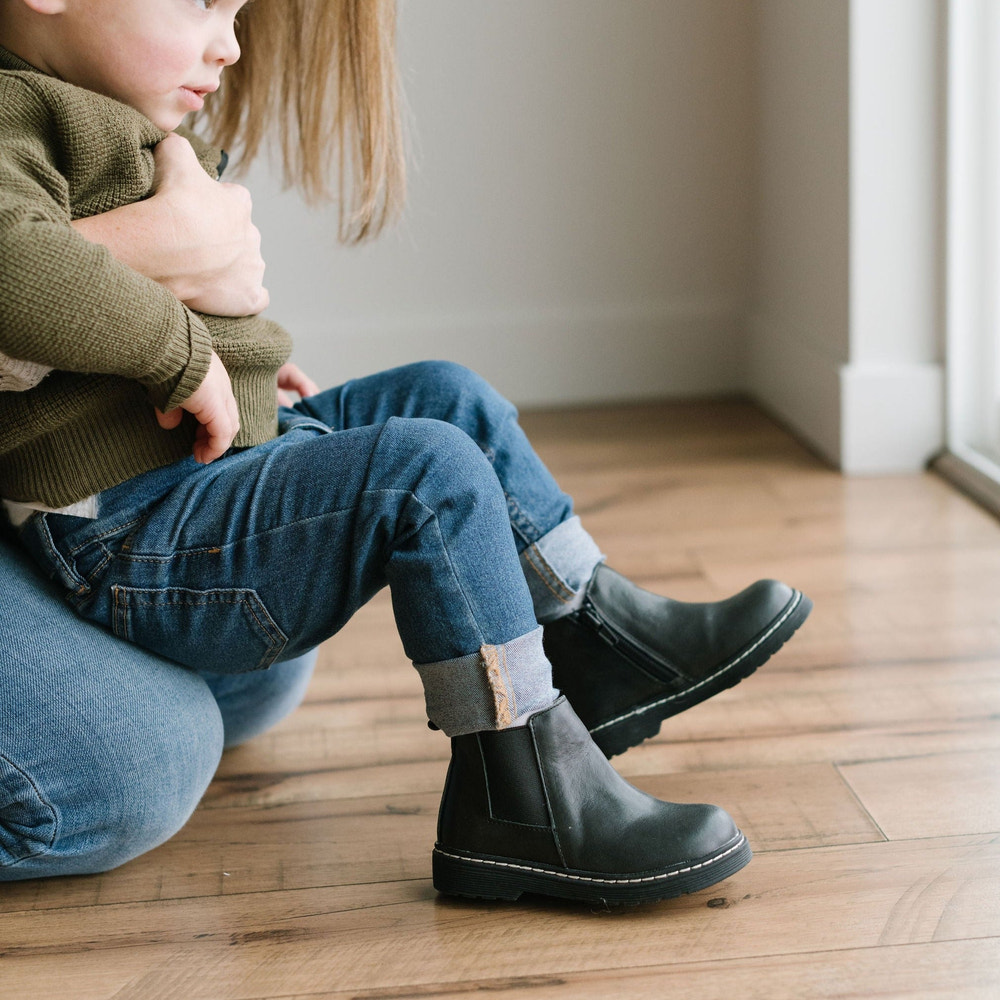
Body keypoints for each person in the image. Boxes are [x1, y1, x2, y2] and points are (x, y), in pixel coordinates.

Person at [0, 0, 811, 905]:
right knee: (427, 474)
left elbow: (109, 303)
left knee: (443, 396)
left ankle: (594, 638)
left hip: (175, 480)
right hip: (124, 534)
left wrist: (243, 357)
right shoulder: (15, 113)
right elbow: (15, 271)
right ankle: (518, 798)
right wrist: (183, 351)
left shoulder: (106, 103)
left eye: (237, 10)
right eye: (200, 3)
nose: (230, 42)